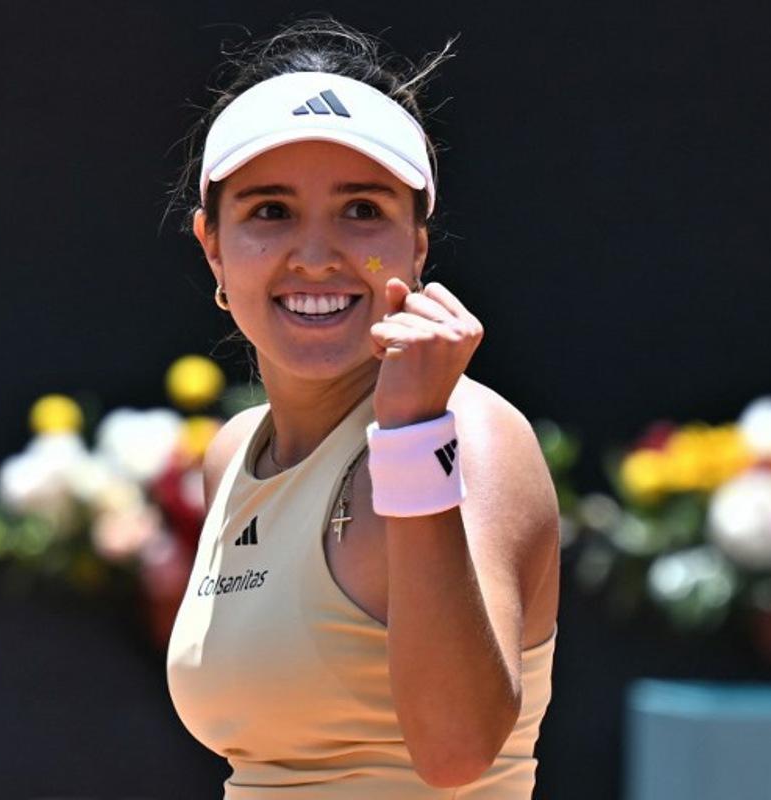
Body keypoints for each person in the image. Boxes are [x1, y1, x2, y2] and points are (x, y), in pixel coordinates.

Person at [165, 18, 560, 799]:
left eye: (362, 211)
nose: (317, 255)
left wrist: (414, 435)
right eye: (271, 212)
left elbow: (455, 755)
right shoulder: (233, 450)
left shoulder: (470, 433)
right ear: (212, 244)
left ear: (417, 244)